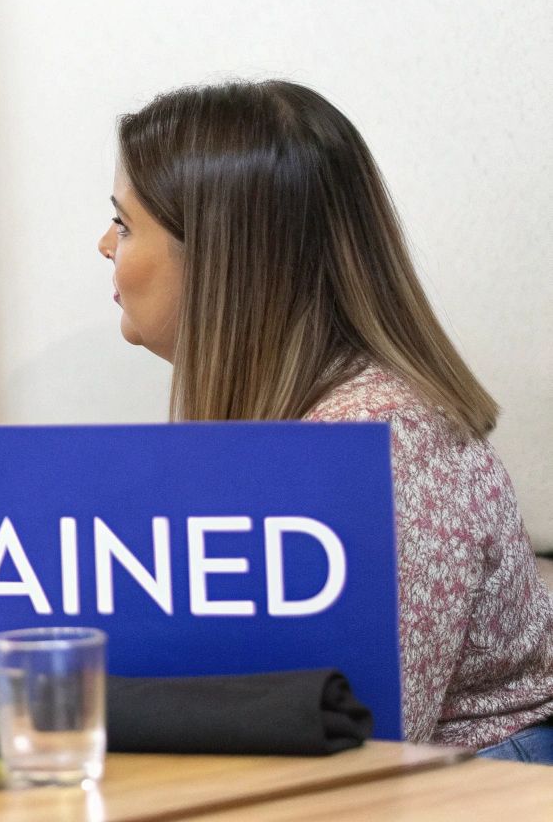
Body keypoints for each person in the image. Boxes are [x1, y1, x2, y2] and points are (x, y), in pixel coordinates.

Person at [98, 79, 553, 760]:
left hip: (473, 783)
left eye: (126, 224)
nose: (105, 245)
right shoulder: (289, 423)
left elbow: (364, 739)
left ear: (224, 260)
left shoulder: (386, 447)